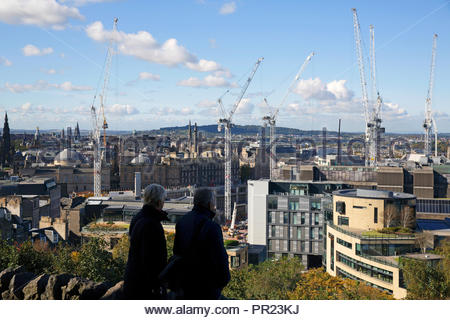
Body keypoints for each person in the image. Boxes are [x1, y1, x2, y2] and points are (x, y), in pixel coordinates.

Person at [173, 188, 230, 299]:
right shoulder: (212, 227)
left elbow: (177, 253)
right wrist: (220, 284)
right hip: (206, 289)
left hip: (186, 287)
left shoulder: (182, 222)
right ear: (209, 204)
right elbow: (221, 259)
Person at [123, 184, 168, 299]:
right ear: (159, 202)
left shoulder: (138, 217)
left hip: (133, 280)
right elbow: (150, 259)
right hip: (144, 287)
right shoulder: (152, 224)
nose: (164, 203)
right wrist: (156, 284)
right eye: (163, 200)